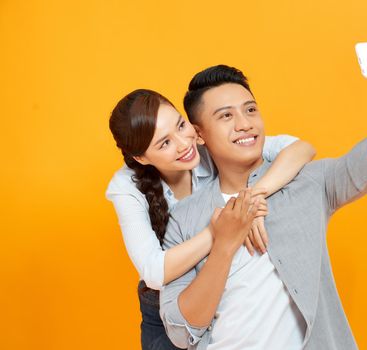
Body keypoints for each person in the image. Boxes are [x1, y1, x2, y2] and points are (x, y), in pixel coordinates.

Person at [159, 34, 367, 349]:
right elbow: (181, 332)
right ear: (198, 135)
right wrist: (224, 244)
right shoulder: (183, 218)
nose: (245, 124)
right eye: (226, 116)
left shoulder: (307, 183)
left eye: (250, 110)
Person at [106, 89, 316, 350]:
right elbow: (153, 272)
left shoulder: (207, 147)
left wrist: (251, 198)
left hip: (224, 288)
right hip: (166, 308)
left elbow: (299, 148)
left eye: (181, 126)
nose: (184, 144)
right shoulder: (126, 187)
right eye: (165, 143)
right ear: (140, 158)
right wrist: (220, 231)